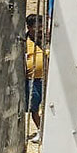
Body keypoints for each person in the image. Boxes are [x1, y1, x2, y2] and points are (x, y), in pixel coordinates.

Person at [26, 13, 46, 142]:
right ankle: (40, 130)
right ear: (29, 27)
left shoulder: (46, 40)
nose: (39, 30)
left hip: (46, 79)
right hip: (32, 79)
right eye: (36, 27)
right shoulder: (24, 41)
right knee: (34, 106)